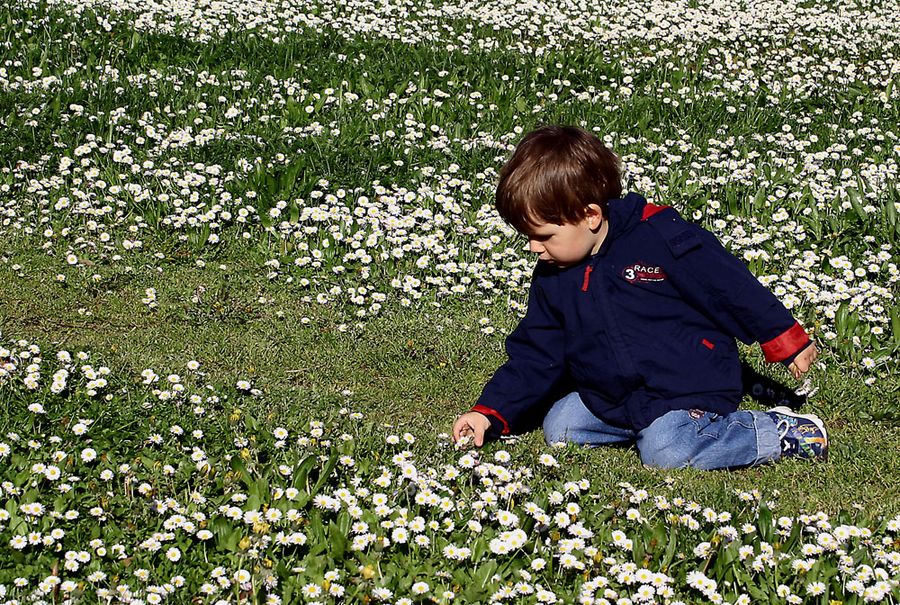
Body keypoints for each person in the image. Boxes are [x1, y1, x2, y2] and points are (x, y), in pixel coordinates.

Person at [451, 125, 826, 469]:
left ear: (590, 216)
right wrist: (488, 412)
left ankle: (775, 431)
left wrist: (783, 336)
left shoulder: (660, 237)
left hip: (686, 382)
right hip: (615, 394)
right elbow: (536, 351)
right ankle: (652, 428)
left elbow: (728, 285)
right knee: (561, 427)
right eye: (527, 237)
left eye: (544, 236)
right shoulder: (554, 275)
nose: (534, 248)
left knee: (667, 451)